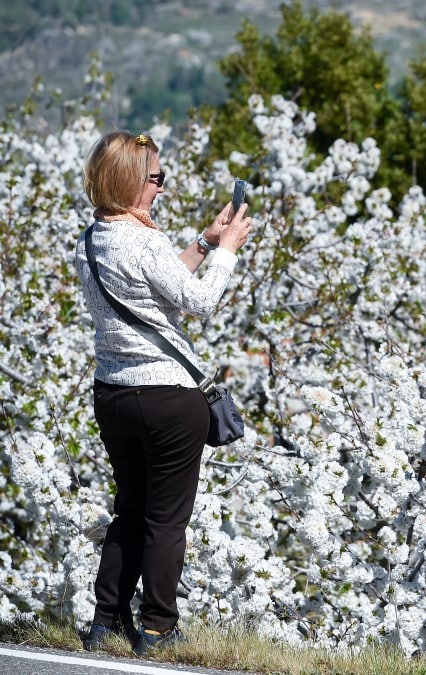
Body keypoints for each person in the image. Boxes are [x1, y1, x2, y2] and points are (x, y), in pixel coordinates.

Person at [73, 131, 252, 655]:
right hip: (168, 398)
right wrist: (229, 253)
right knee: (167, 519)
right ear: (130, 181)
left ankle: (105, 621)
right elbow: (196, 302)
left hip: (114, 394)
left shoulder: (92, 240)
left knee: (129, 509)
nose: (162, 189)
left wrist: (203, 242)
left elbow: (153, 288)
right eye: (156, 179)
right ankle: (158, 627)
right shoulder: (144, 240)